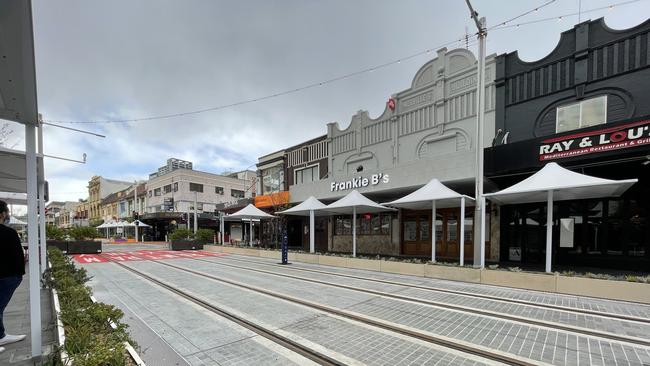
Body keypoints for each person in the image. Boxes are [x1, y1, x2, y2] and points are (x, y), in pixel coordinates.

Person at [0, 200, 26, 353]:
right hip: (8, 276)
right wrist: (19, 275)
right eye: (7, 212)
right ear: (3, 214)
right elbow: (18, 256)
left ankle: (1, 334)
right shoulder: (9, 233)